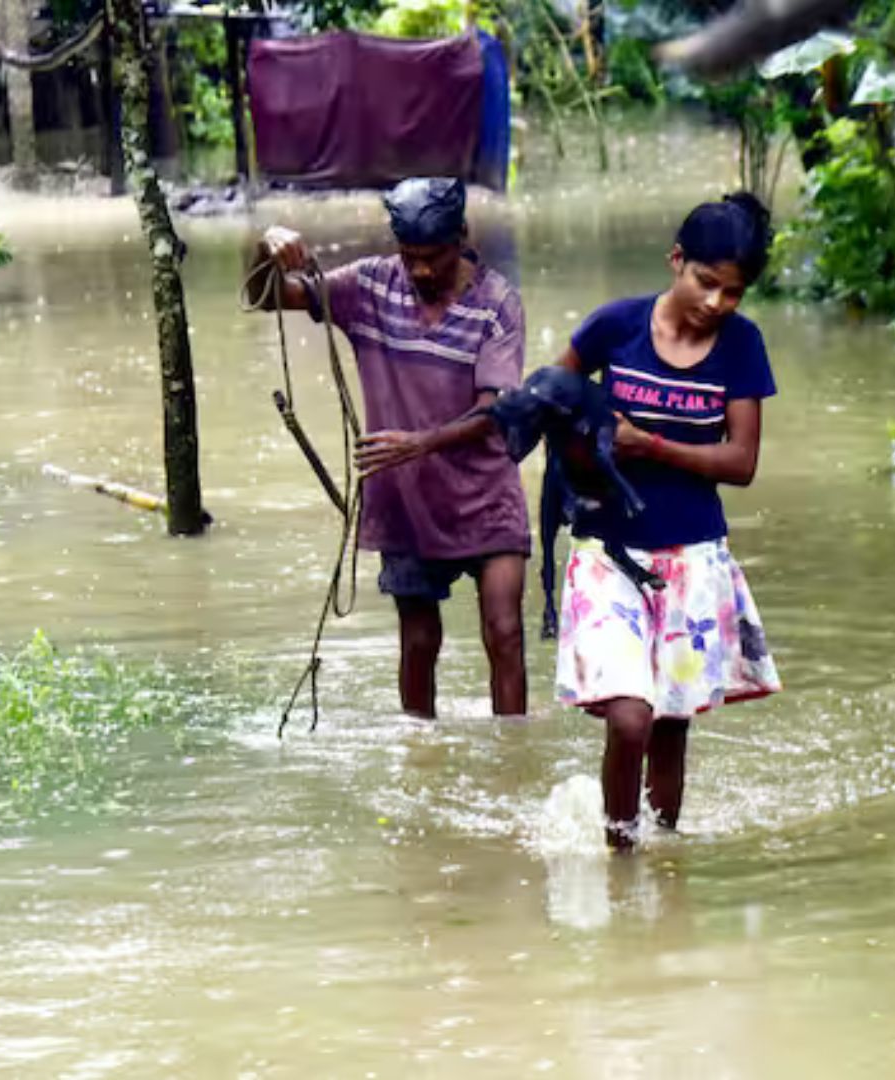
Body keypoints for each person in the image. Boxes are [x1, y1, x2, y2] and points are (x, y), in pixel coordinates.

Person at [552, 192, 784, 850]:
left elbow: (741, 462)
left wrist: (649, 445)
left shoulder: (741, 347)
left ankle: (660, 867)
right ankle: (620, 856)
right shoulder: (614, 328)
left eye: (731, 293)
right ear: (676, 261)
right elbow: (551, 398)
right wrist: (581, 450)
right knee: (630, 719)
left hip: (691, 558)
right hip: (608, 551)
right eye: (705, 282)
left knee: (670, 729)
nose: (715, 303)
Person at [251, 177, 529, 720]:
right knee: (419, 641)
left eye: (434, 257)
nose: (421, 270)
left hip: (486, 498)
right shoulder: (371, 285)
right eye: (410, 257)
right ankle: (419, 761)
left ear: (462, 238)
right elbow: (266, 296)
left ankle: (510, 763)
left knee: (506, 634)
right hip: (406, 501)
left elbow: (497, 407)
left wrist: (421, 443)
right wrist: (266, 250)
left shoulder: (497, 304)